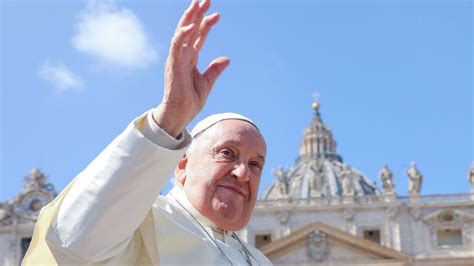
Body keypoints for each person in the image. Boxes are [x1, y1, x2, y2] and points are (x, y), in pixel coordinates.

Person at [23, 0, 272, 265]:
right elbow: (73, 242)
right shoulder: (142, 221)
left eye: (255, 164)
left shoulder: (259, 259)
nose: (243, 173)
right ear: (183, 165)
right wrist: (170, 118)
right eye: (227, 153)